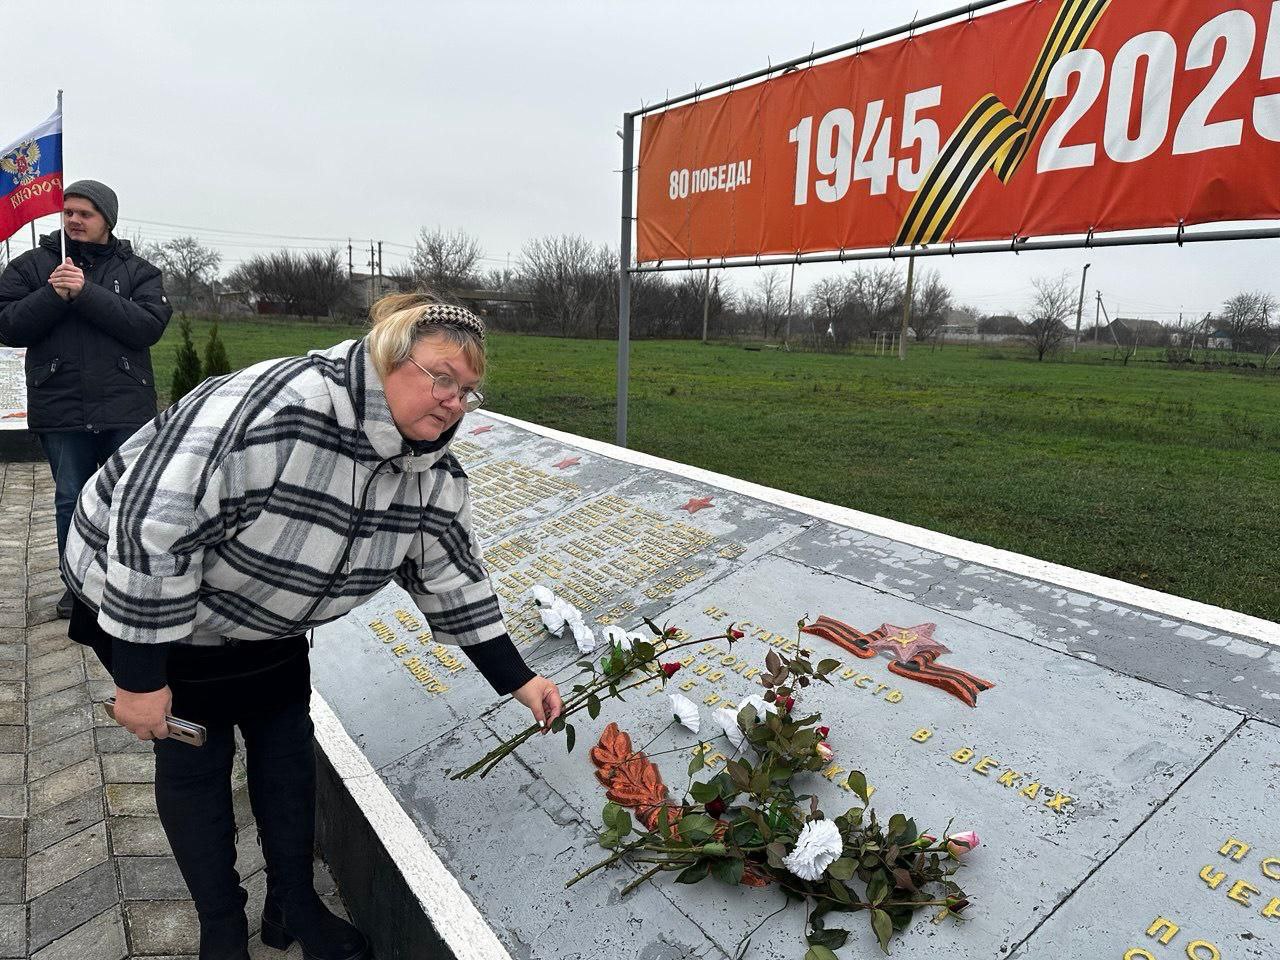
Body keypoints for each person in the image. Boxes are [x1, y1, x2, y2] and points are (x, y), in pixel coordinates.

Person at [62, 292, 563, 960]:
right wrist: (140, 679)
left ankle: (293, 905)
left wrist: (520, 679)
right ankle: (222, 927)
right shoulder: (277, 409)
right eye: (440, 377)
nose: (452, 401)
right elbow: (156, 524)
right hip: (156, 603)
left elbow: (451, 574)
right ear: (387, 358)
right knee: (197, 761)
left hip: (270, 620)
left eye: (466, 391)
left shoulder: (430, 473)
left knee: (286, 749)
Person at [0, 180, 171, 618]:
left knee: (127, 500)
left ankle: (123, 582)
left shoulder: (139, 272)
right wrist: (52, 295)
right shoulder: (31, 267)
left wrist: (87, 293)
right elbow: (8, 326)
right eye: (68, 212)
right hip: (60, 404)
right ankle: (76, 585)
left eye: (85, 213)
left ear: (107, 220)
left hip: (124, 407)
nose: (74, 220)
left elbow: (147, 327)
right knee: (71, 499)